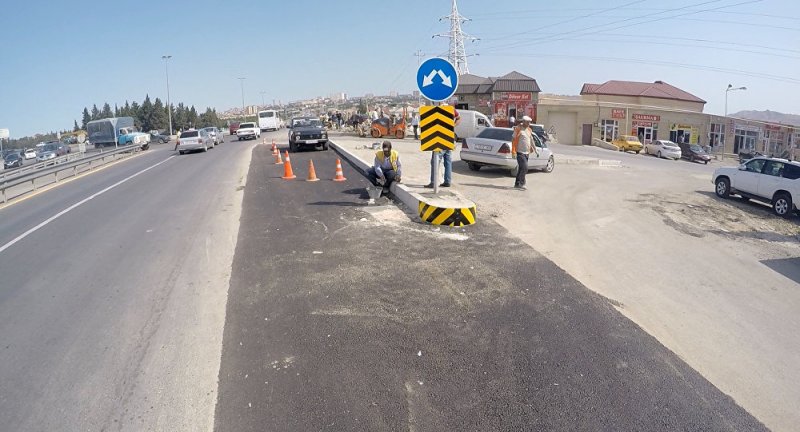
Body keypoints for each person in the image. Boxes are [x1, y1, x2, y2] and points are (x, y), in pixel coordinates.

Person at [511, 115, 537, 190]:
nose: (529, 123)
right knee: (525, 167)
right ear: (524, 122)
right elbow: (513, 139)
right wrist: (513, 151)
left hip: (527, 153)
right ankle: (522, 183)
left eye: (529, 122)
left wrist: (535, 149)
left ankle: (517, 183)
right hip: (519, 152)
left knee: (521, 168)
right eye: (528, 122)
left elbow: (531, 140)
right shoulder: (518, 129)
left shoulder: (529, 130)